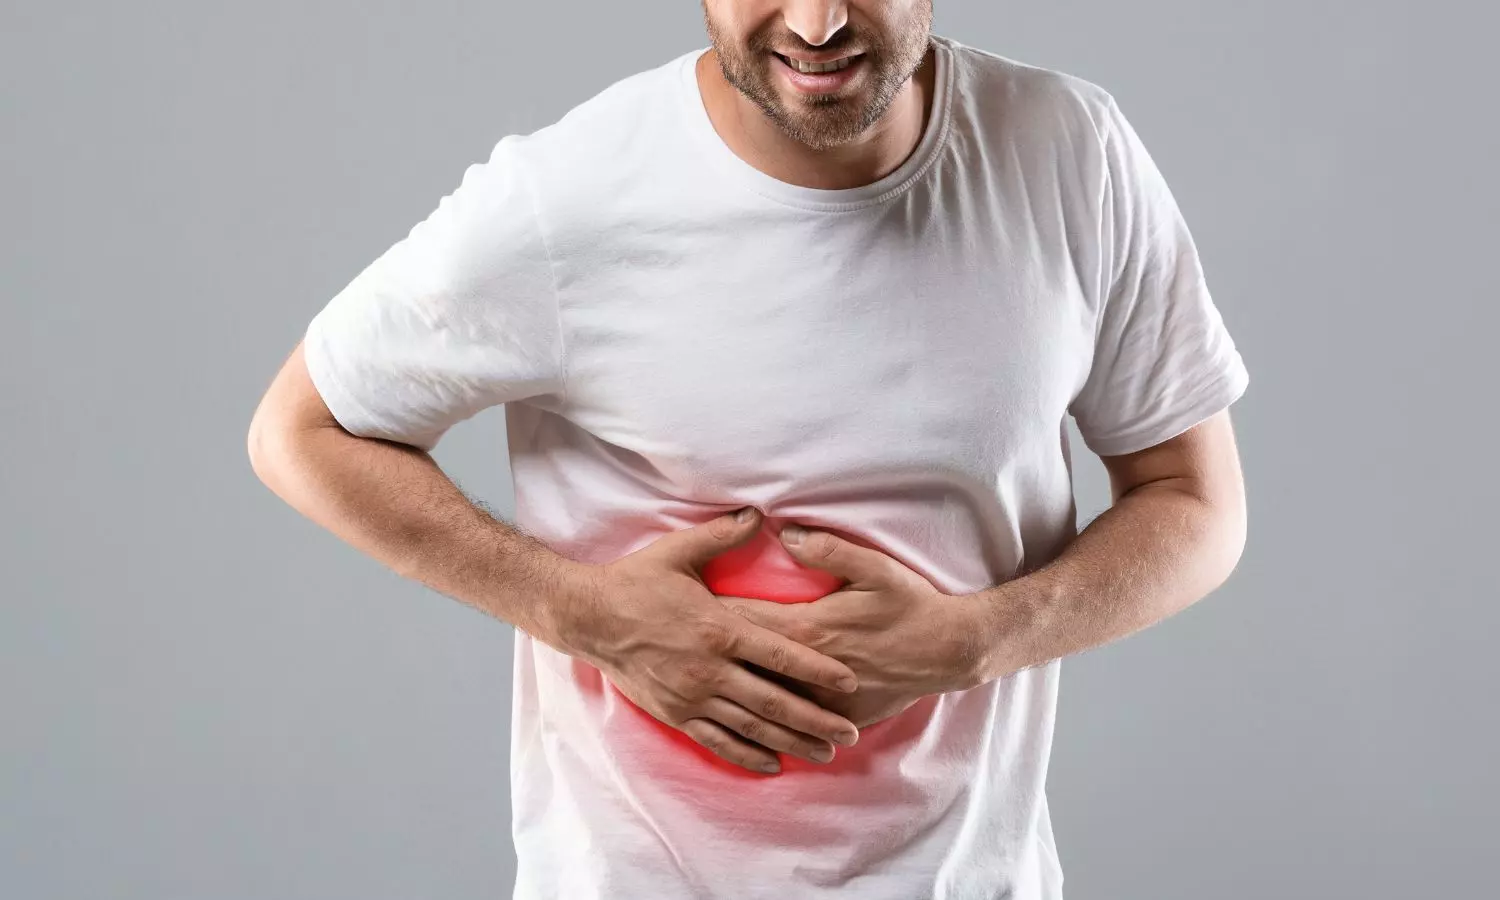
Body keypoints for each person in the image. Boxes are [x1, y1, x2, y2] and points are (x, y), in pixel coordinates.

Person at [246, 1, 1251, 897]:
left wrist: (977, 639)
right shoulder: (569, 198)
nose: (816, 25)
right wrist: (579, 613)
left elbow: (1194, 501)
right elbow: (299, 431)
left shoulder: (1071, 153)